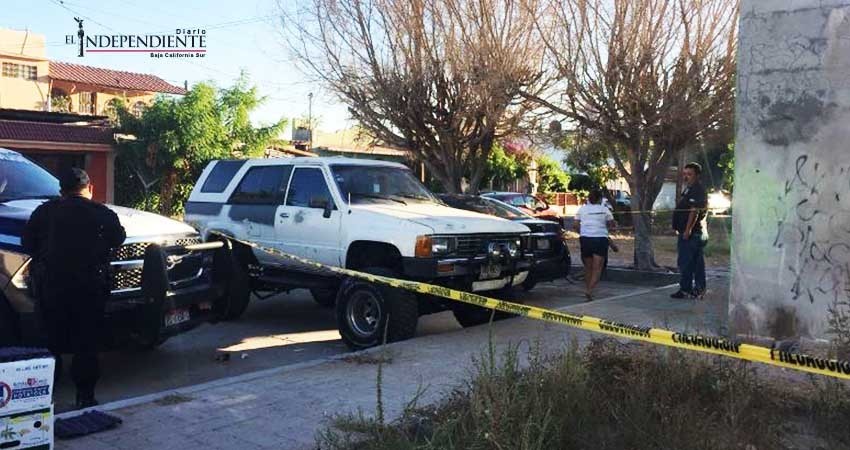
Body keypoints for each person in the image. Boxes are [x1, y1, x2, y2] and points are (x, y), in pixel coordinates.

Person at [22, 168, 126, 409]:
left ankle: (46, 398)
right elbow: (118, 239)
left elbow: (27, 243)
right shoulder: (102, 213)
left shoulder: (44, 212)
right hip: (90, 288)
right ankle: (85, 397)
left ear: (61, 190)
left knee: (50, 343)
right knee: (87, 343)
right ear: (90, 189)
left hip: (51, 288)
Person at [671, 162, 709, 299]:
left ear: (697, 175)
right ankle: (695, 289)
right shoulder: (688, 188)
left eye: (690, 174)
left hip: (692, 233)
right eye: (685, 174)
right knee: (695, 262)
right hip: (687, 232)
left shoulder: (697, 189)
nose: (686, 177)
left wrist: (687, 230)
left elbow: (694, 212)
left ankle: (688, 289)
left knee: (686, 262)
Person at [574, 190, 615, 301]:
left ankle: (588, 289)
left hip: (585, 239)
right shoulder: (604, 209)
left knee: (588, 267)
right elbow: (612, 224)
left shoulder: (582, 209)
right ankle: (589, 291)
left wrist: (583, 232)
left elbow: (575, 224)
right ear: (599, 199)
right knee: (597, 268)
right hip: (600, 239)